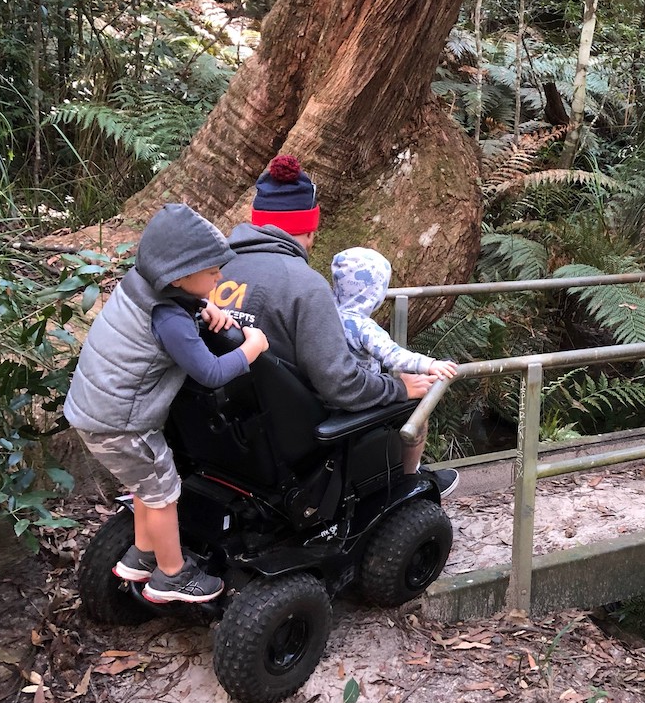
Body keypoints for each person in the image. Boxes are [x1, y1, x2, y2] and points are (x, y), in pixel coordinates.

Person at [211, 154, 459, 496]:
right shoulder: (305, 286)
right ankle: (405, 483)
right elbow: (341, 386)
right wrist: (400, 388)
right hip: (293, 436)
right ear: (311, 230)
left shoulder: (211, 269)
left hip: (222, 426)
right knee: (416, 401)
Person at [64, 203, 269, 604]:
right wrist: (252, 349)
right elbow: (208, 372)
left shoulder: (143, 284)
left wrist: (204, 304)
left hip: (97, 409)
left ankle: (143, 554)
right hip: (123, 424)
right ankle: (172, 576)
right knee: (164, 492)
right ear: (180, 276)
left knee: (147, 483)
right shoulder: (169, 320)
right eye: (212, 273)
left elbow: (179, 301)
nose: (220, 277)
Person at [331, 247, 458, 477]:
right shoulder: (362, 326)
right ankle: (410, 475)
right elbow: (393, 355)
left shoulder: (326, 315)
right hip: (363, 397)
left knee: (404, 382)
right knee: (419, 412)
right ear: (374, 292)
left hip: (334, 396)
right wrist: (429, 364)